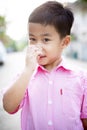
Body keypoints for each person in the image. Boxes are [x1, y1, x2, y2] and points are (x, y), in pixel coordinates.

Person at [3, 1, 87, 130]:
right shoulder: (26, 76)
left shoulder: (80, 78)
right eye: (32, 39)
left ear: (64, 42)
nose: (37, 46)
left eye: (46, 40)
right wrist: (27, 71)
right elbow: (8, 106)